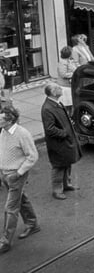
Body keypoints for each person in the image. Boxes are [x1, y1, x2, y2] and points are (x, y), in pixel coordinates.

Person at [0, 105, 39, 253]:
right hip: (4, 173)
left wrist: (19, 172)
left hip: (16, 175)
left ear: (9, 121)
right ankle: (33, 223)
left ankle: (5, 241)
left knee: (10, 208)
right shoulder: (3, 132)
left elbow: (33, 156)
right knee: (21, 199)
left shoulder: (22, 134)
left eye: (1, 119)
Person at [41, 83, 82, 200]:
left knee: (67, 163)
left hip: (65, 142)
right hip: (58, 144)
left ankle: (66, 184)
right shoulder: (47, 108)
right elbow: (50, 129)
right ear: (53, 92)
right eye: (58, 88)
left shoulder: (56, 103)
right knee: (59, 166)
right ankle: (57, 190)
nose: (61, 89)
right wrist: (64, 133)